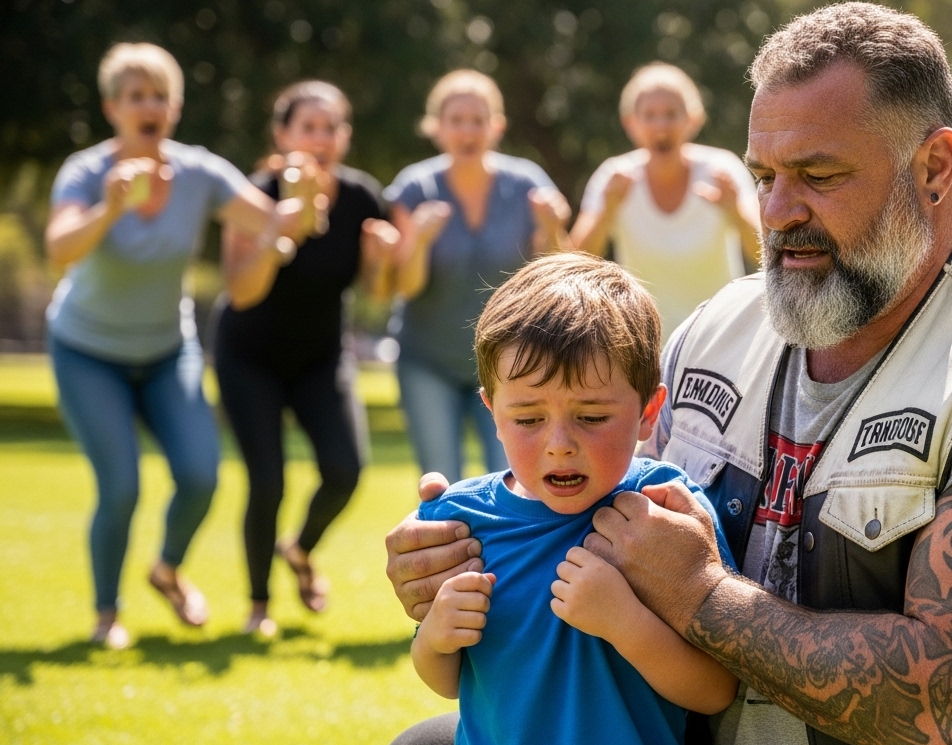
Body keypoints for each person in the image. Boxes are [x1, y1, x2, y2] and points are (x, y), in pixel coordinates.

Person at [386, 5, 952, 745]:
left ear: (935, 166)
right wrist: (469, 555)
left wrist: (704, 595)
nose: (775, 210)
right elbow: (599, 527)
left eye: (817, 174)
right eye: (763, 173)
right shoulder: (715, 331)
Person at [392, 253, 737, 745]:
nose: (559, 444)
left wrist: (625, 622)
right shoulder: (462, 522)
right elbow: (446, 683)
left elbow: (715, 690)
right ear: (494, 414)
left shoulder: (665, 510)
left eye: (592, 416)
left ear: (648, 413)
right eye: (528, 418)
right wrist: (438, 634)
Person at [44, 43, 313, 649]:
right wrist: (110, 207)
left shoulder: (200, 172)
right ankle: (107, 615)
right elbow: (60, 248)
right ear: (113, 106)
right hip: (87, 349)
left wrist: (299, 198)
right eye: (136, 95)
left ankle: (166, 568)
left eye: (160, 95)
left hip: (168, 349)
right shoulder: (88, 173)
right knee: (121, 486)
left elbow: (271, 220)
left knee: (199, 474)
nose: (150, 106)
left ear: (176, 107)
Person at [213, 80, 401, 637]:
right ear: (283, 135)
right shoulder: (253, 194)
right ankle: (257, 606)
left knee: (345, 470)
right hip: (249, 357)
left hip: (320, 358)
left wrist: (383, 262)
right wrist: (282, 226)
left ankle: (299, 548)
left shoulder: (363, 197)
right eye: (308, 128)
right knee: (267, 481)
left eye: (331, 128)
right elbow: (241, 290)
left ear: (344, 137)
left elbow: (376, 291)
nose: (321, 140)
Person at [386, 69, 571, 482]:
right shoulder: (414, 188)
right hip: (427, 360)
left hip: (510, 362)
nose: (468, 131)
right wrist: (417, 239)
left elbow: (560, 272)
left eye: (478, 120)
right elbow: (405, 286)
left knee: (514, 479)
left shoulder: (526, 183)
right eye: (456, 120)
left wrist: (554, 228)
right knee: (440, 482)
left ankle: (509, 551)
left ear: (496, 126)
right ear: (437, 128)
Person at [570, 62, 761, 337]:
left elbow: (766, 253)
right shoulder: (613, 177)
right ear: (631, 123)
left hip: (719, 337)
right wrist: (607, 211)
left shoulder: (722, 171)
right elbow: (576, 263)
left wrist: (735, 212)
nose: (661, 125)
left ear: (693, 119)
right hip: (644, 345)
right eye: (649, 115)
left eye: (671, 114)